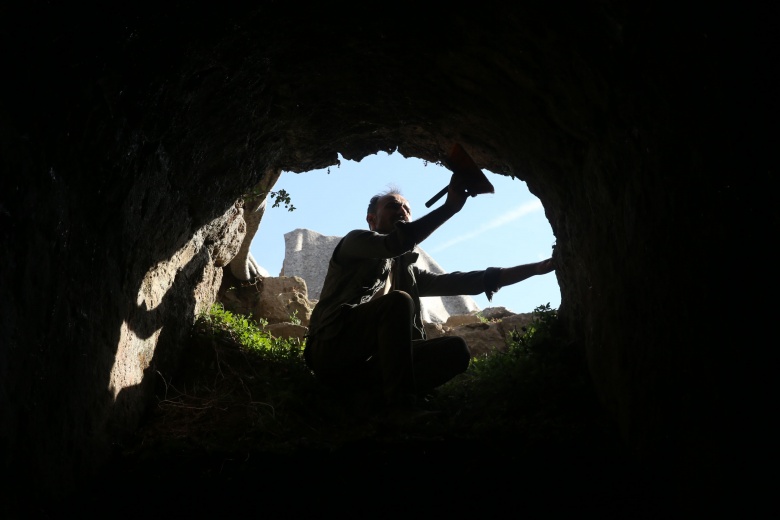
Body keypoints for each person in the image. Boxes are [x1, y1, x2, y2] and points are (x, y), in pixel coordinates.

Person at [303, 172, 556, 415]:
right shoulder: (355, 241)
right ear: (371, 219)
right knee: (398, 302)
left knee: (455, 349)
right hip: (331, 348)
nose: (401, 211)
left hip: (370, 365)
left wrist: (535, 268)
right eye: (392, 206)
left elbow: (466, 282)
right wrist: (451, 207)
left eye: (406, 209)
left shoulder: (404, 270)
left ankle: (365, 397)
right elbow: (397, 243)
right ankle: (400, 408)